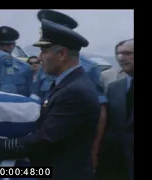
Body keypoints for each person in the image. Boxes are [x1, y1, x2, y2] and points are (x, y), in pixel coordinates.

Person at [0, 19, 101, 180]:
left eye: (44, 51)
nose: (39, 57)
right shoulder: (67, 84)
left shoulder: (74, 91)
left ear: (62, 54)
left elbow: (46, 139)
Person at [34, 9, 108, 170]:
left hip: (66, 157)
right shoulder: (46, 68)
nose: (39, 57)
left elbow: (100, 113)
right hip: (45, 152)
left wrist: (93, 152)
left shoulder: (87, 69)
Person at [96, 38, 134, 180]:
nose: (121, 58)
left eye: (127, 53)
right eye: (118, 54)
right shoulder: (114, 87)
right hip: (114, 162)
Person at [0, 26, 33, 96]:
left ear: (13, 45)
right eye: (1, 44)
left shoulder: (25, 68)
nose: (4, 48)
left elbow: (29, 95)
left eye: (8, 44)